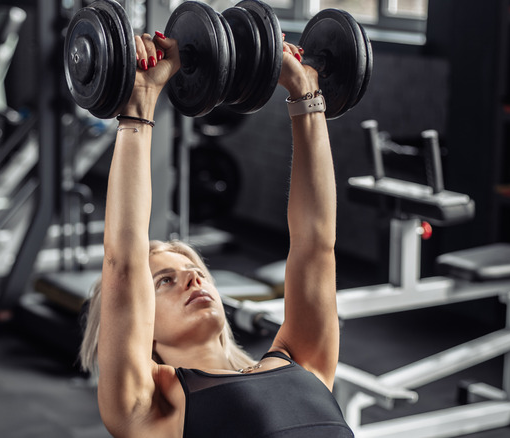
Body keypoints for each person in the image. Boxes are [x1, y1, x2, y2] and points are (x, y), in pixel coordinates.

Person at [79, 29, 352, 438]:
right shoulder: (151, 404)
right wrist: (138, 104)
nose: (192, 277)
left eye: (196, 271)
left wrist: (305, 91)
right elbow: (122, 262)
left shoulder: (302, 361)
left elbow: (315, 247)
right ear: (140, 327)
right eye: (164, 281)